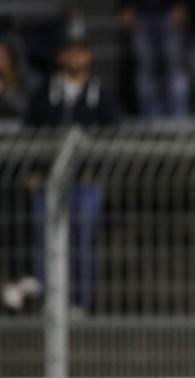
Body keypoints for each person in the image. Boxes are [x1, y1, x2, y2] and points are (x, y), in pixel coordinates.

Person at [24, 39, 118, 315]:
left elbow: (113, 136)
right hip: (48, 182)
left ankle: (80, 301)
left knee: (82, 241)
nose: (75, 59)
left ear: (88, 56)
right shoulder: (44, 92)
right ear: (61, 57)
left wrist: (97, 172)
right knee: (45, 242)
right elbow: (30, 132)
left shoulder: (100, 93)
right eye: (70, 53)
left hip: (85, 183)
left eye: (80, 53)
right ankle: (50, 301)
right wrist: (31, 171)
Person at [120, 0, 190, 118]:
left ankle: (178, 117)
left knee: (175, 67)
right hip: (141, 14)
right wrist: (125, 6)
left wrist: (182, 5)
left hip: (169, 12)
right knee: (145, 69)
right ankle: (151, 118)